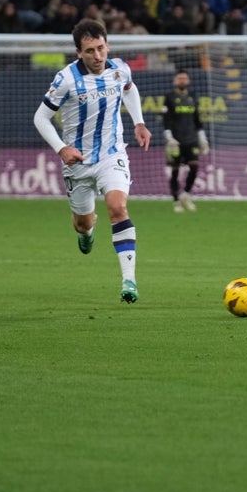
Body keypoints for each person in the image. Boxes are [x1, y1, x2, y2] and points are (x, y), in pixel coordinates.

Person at [33, 19, 152, 304]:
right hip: (78, 162)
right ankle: (87, 231)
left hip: (112, 155)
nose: (98, 56)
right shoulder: (66, 80)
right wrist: (62, 148)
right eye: (90, 51)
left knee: (117, 206)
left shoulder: (119, 68)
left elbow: (129, 88)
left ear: (107, 45)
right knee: (82, 224)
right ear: (78, 53)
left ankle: (129, 280)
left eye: (101, 48)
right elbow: (41, 117)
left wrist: (138, 122)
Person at [163, 69, 209, 213]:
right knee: (175, 171)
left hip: (191, 139)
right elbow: (166, 120)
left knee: (194, 167)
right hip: (175, 141)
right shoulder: (169, 98)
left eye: (184, 78)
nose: (182, 80)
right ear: (175, 81)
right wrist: (169, 137)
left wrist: (202, 138)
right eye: (179, 78)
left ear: (188, 81)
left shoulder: (193, 97)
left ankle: (186, 195)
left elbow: (197, 120)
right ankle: (176, 201)